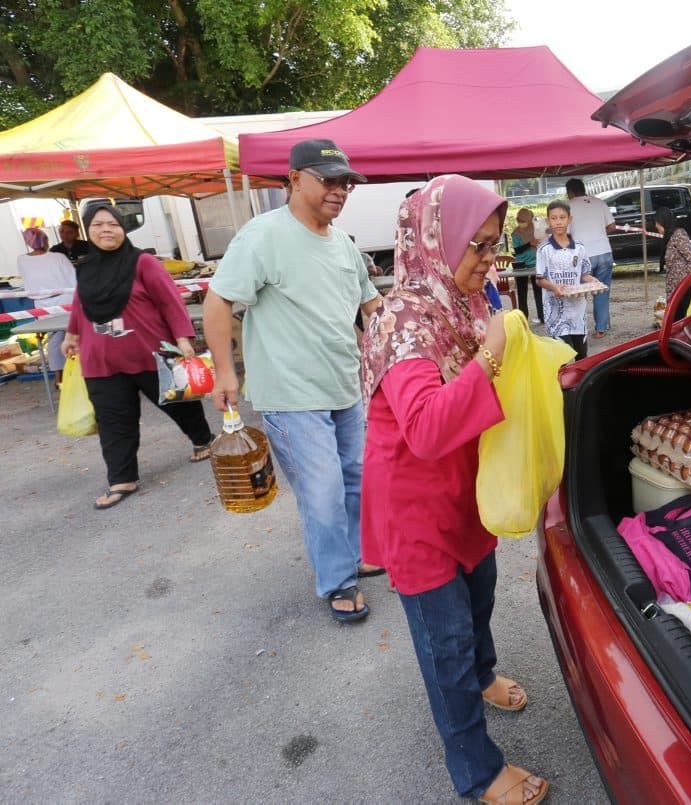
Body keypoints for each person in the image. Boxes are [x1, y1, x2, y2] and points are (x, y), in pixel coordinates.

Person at [359, 174, 549, 805]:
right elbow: (426, 427)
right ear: (436, 240)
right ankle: (477, 771)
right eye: (478, 244)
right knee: (446, 643)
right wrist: (489, 358)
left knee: (479, 598)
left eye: (495, 243)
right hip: (416, 508)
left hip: (468, 490)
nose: (490, 257)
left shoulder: (465, 300)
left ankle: (485, 674)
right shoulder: (400, 320)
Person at [203, 138, 382, 624]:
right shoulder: (263, 236)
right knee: (322, 492)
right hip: (290, 394)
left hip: (344, 387)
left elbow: (371, 305)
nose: (340, 191)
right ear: (295, 179)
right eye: (329, 180)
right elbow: (218, 302)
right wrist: (224, 371)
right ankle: (338, 581)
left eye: (346, 183)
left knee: (356, 479)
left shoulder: (343, 245)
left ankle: (355, 554)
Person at [60, 204, 214, 510]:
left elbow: (169, 301)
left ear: (123, 228)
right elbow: (80, 303)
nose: (106, 230)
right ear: (88, 231)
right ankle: (122, 479)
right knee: (113, 421)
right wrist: (71, 335)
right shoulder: (86, 267)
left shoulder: (143, 262)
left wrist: (183, 340)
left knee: (179, 404)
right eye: (98, 225)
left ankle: (203, 440)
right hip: (101, 361)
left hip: (149, 352)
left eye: (112, 224)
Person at [536, 200, 595, 359]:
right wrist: (554, 287)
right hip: (555, 314)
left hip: (578, 313)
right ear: (548, 221)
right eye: (554, 218)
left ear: (570, 219)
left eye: (562, 217)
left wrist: (593, 282)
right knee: (561, 359)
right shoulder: (544, 249)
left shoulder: (579, 248)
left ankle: (580, 377)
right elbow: (539, 280)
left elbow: (584, 274)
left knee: (581, 356)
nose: (558, 222)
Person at [17, 227, 75, 382]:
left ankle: (59, 376)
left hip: (41, 305)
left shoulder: (21, 259)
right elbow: (73, 279)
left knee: (54, 340)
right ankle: (72, 374)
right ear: (45, 241)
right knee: (73, 335)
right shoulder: (58, 257)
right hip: (65, 301)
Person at [565, 177, 615, 338]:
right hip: (604, 252)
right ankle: (601, 329)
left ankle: (579, 329)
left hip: (582, 255)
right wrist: (598, 233)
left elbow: (565, 233)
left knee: (579, 294)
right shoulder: (599, 202)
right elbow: (612, 226)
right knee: (602, 292)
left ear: (570, 192)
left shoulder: (568, 207)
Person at [656, 206, 691, 305]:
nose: (656, 226)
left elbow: (690, 258)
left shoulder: (678, 235)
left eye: (657, 223)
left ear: (663, 222)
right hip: (675, 288)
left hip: (683, 287)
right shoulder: (669, 238)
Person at [509, 208, 543, 323]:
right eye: (519, 221)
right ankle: (523, 318)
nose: (521, 223)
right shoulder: (516, 233)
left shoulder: (535, 230)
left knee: (539, 291)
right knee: (522, 293)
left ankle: (542, 316)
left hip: (535, 264)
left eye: (523, 221)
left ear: (529, 220)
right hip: (521, 266)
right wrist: (529, 244)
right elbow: (517, 251)